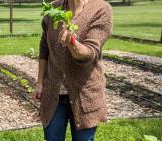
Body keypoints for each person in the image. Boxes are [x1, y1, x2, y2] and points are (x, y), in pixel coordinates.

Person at [33, 0, 113, 140]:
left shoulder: (101, 9)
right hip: (53, 94)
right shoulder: (53, 9)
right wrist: (40, 83)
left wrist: (72, 43)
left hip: (85, 95)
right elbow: (44, 48)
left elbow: (89, 53)